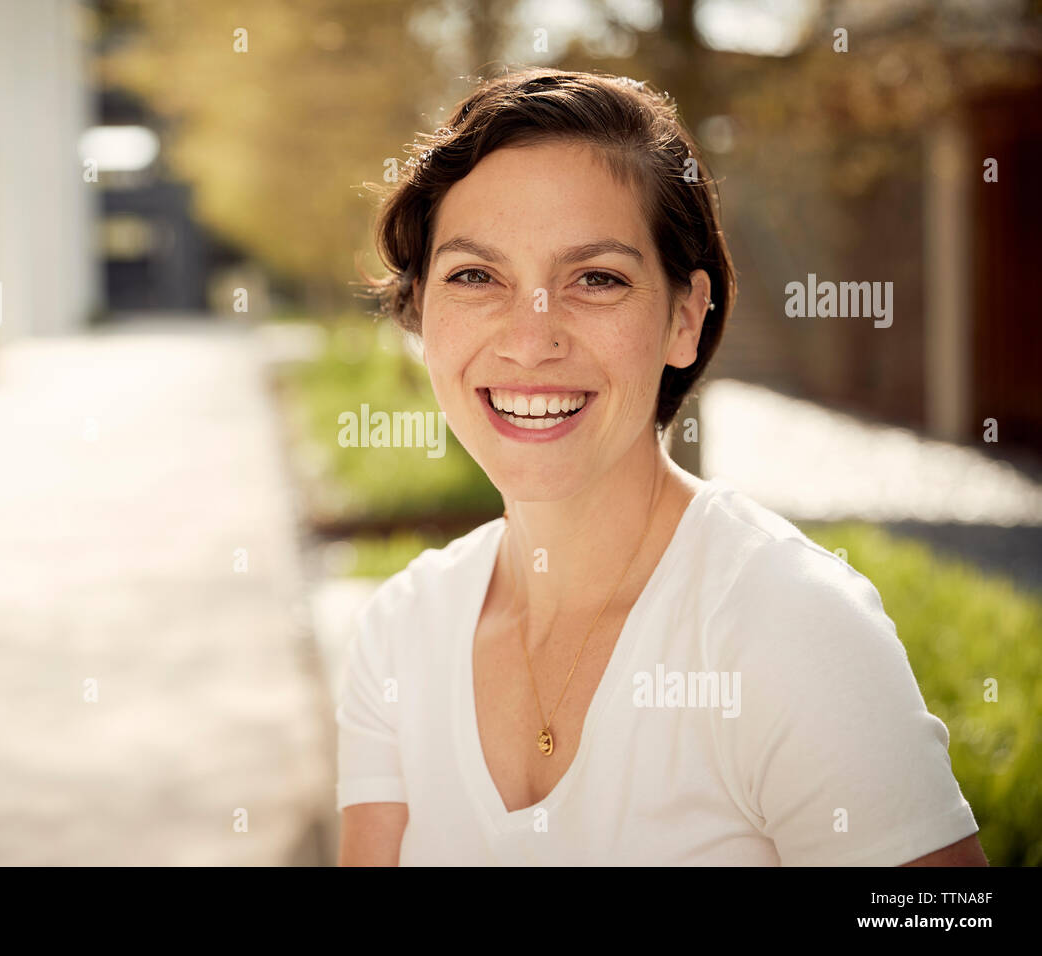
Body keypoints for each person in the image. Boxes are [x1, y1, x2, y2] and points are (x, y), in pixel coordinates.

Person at [335, 67, 985, 866]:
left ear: (684, 317)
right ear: (422, 313)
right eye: (476, 276)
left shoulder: (787, 626)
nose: (531, 338)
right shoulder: (399, 636)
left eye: (596, 279)